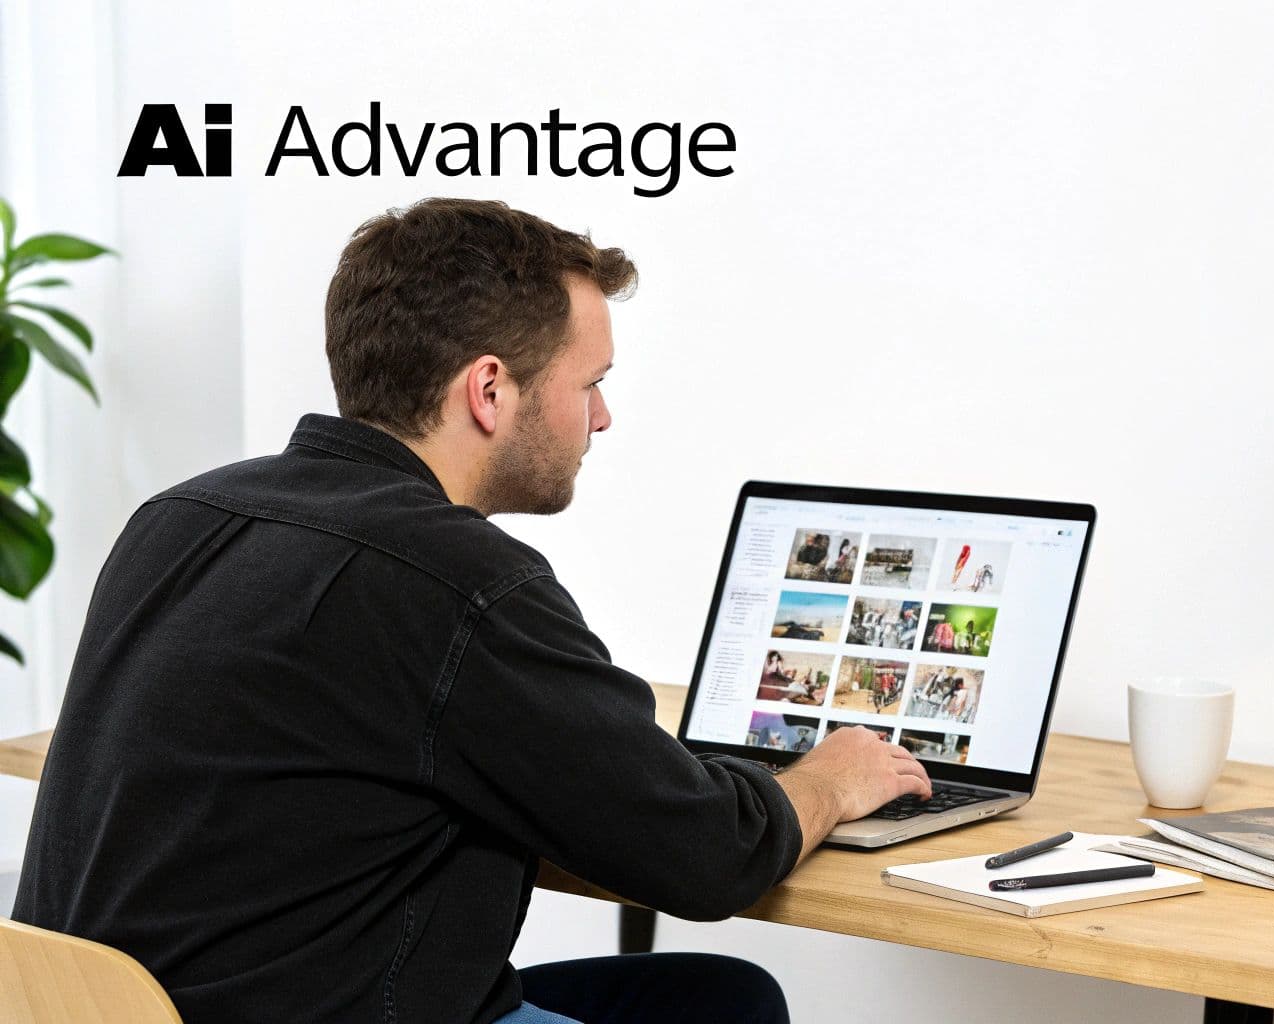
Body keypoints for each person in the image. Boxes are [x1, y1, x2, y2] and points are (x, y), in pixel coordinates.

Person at [10, 198, 931, 1024]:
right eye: (589, 382)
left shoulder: (180, 517)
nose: (601, 417)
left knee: (713, 997)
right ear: (490, 390)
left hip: (101, 1009)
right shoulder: (462, 584)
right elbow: (705, 858)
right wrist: (830, 779)